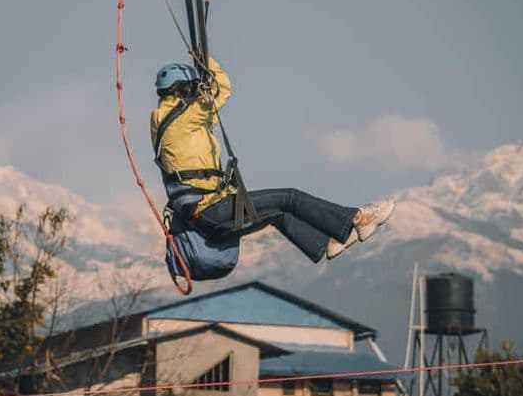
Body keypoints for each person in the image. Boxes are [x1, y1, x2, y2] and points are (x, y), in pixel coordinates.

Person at [151, 57, 396, 281]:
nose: (197, 93)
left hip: (207, 212)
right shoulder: (184, 119)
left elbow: (209, 112)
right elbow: (221, 88)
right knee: (288, 196)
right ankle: (356, 218)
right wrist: (205, 60)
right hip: (211, 210)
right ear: (182, 90)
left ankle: (327, 243)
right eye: (193, 88)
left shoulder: (172, 122)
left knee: (279, 212)